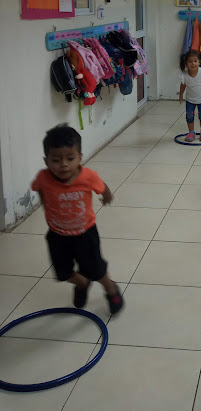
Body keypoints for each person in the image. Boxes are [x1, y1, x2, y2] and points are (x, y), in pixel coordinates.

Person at [31, 124, 123, 314]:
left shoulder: (87, 176)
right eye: (56, 160)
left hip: (85, 234)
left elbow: (101, 186)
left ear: (79, 158)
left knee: (96, 270)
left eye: (70, 158)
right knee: (63, 272)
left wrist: (107, 196)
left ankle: (110, 288)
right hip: (57, 235)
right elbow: (38, 188)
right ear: (46, 161)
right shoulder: (43, 177)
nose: (63, 164)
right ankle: (82, 283)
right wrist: (45, 203)